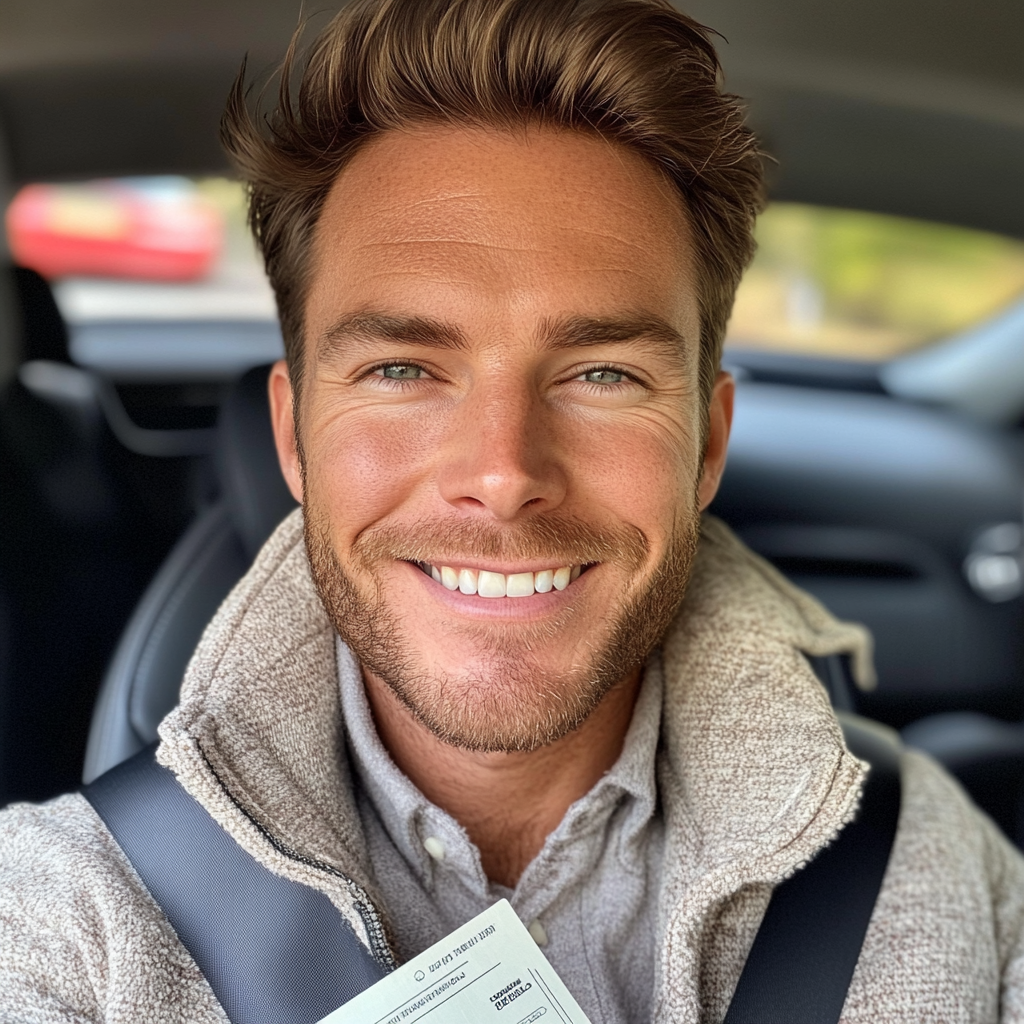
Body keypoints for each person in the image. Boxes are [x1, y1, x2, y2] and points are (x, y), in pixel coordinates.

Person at [2, 0, 1023, 1020]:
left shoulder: (929, 871)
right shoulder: (64, 916)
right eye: (402, 366)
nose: (501, 471)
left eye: (602, 373)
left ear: (705, 444)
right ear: (294, 434)